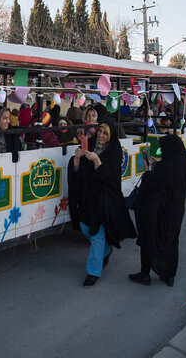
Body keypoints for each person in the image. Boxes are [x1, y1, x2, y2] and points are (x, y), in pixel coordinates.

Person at [68, 121, 137, 287]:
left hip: (104, 198)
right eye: (100, 131)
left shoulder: (114, 150)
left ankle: (93, 272)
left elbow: (112, 178)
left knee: (97, 233)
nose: (101, 136)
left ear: (111, 136)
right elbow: (77, 171)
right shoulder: (89, 144)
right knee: (85, 226)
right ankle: (106, 250)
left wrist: (98, 163)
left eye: (105, 133)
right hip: (87, 197)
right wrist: (77, 159)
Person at [129, 135, 186, 286]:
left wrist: (148, 170)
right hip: (176, 210)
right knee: (171, 241)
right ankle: (169, 274)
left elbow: (152, 184)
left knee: (149, 239)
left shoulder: (165, 167)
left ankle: (145, 273)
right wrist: (157, 166)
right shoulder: (182, 164)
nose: (162, 151)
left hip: (158, 212)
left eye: (163, 149)